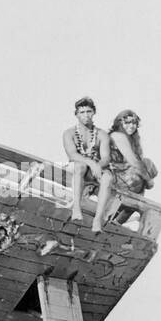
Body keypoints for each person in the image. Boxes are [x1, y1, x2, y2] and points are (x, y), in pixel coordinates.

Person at [60, 96, 111, 228]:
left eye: (89, 111)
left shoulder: (102, 134)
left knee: (107, 178)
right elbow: (72, 155)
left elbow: (105, 157)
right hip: (78, 166)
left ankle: (97, 219)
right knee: (80, 166)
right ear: (76, 114)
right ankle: (76, 209)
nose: (86, 115)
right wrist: (91, 163)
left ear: (94, 112)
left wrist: (97, 165)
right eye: (82, 112)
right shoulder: (69, 133)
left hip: (94, 169)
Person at [105, 109, 158, 227]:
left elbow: (138, 162)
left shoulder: (133, 139)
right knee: (140, 173)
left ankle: (116, 221)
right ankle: (116, 220)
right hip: (111, 174)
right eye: (127, 122)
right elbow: (133, 161)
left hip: (123, 176)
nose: (131, 126)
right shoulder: (117, 135)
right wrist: (149, 180)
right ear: (120, 123)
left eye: (134, 123)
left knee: (146, 165)